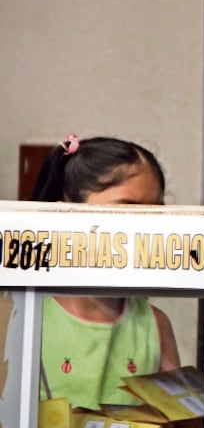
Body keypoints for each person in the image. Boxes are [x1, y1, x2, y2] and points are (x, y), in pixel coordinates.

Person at [34, 134, 181, 410]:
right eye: (127, 209)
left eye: (156, 214)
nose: (144, 230)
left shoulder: (156, 326)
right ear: (65, 210)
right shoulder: (22, 317)